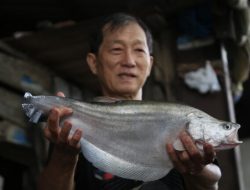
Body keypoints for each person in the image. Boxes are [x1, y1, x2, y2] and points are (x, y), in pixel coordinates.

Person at [37, 13, 221, 190]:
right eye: (117, 50)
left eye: (139, 50)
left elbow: (211, 183)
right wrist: (64, 156)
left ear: (149, 64)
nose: (129, 61)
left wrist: (197, 169)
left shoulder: (176, 119)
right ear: (94, 63)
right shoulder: (73, 129)